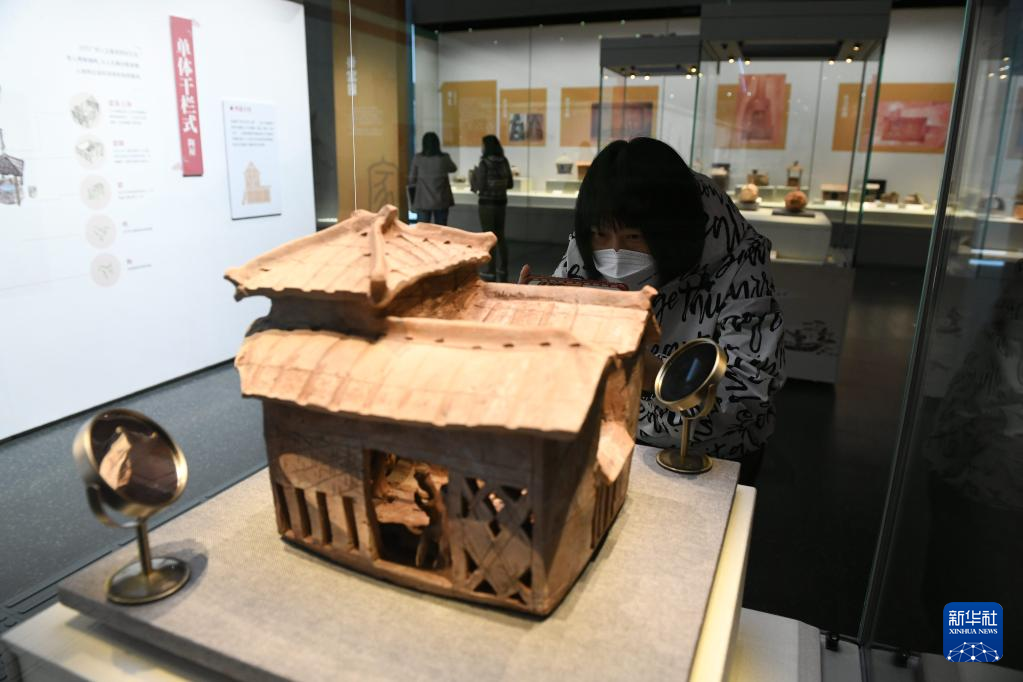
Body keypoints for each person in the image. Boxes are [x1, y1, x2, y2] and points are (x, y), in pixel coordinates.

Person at [520, 137, 785, 484]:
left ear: (672, 233)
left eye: (634, 238)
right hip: (609, 437)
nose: (614, 253)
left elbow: (746, 396)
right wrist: (532, 320)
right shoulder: (590, 241)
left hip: (710, 459)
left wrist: (652, 374)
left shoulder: (737, 264)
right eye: (600, 235)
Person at [470, 135, 513, 281]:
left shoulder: (484, 163)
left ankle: (490, 269)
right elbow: (510, 184)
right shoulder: (504, 161)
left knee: (489, 236)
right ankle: (503, 267)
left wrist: (474, 178)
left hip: (487, 203)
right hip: (501, 202)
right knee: (500, 236)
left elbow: (480, 187)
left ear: (486, 147)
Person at [408, 132, 456, 225]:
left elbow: (411, 179)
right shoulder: (444, 158)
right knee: (441, 229)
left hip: (423, 201)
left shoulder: (418, 158)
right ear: (438, 144)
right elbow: (453, 169)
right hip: (441, 200)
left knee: (423, 229)